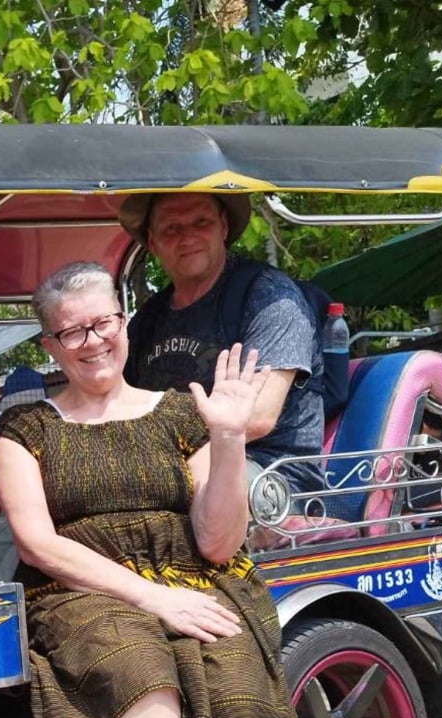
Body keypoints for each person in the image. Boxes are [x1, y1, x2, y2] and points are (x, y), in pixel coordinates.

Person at [0, 261, 297, 718]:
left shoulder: (175, 413)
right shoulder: (25, 424)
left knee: (233, 673)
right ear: (51, 343)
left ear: (124, 321)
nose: (91, 340)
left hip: (191, 572)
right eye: (71, 331)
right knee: (143, 676)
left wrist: (227, 442)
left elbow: (221, 542)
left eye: (102, 322)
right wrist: (150, 597)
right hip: (82, 590)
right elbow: (37, 543)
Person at [119, 192, 325, 496]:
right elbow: (119, 402)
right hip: (170, 465)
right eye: (171, 228)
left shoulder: (270, 297)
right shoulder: (147, 320)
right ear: (152, 241)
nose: (188, 236)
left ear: (223, 227)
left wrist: (153, 459)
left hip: (271, 476)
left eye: (201, 222)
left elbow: (255, 418)